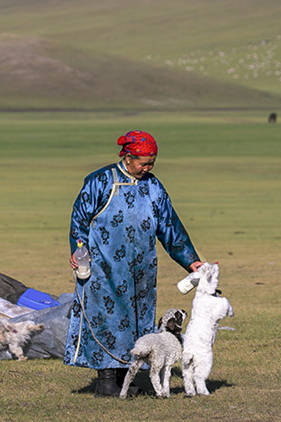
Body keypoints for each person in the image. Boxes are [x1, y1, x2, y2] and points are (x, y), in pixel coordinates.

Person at [63, 130, 203, 397]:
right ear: (128, 157)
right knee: (107, 319)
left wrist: (192, 262)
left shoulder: (153, 186)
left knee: (136, 321)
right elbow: (79, 221)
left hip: (141, 269)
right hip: (103, 267)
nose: (147, 168)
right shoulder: (101, 181)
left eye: (152, 163)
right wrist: (79, 251)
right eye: (143, 163)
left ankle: (122, 379)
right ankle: (105, 384)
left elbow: (170, 227)